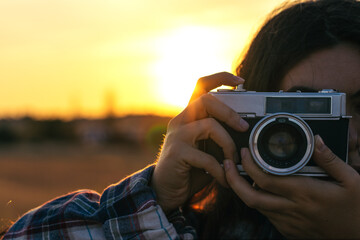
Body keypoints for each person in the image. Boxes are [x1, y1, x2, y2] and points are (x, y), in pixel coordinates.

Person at [2, 0, 360, 239]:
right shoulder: (200, 229)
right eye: (300, 113)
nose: (350, 135)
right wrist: (156, 196)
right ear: (246, 121)